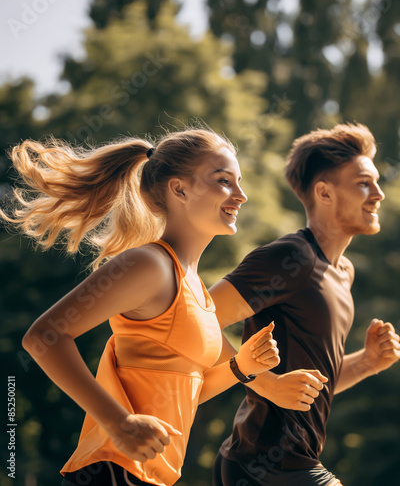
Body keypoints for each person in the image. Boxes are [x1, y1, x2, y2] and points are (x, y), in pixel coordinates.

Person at [1, 129, 281, 486]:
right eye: (223, 181)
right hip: (112, 471)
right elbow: (43, 337)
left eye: (238, 182)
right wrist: (119, 424)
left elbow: (186, 389)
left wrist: (242, 367)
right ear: (179, 189)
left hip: (151, 477)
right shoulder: (150, 265)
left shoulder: (195, 287)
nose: (240, 195)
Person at [210, 123, 400, 486]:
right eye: (363, 183)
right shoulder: (292, 257)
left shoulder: (343, 273)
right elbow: (195, 319)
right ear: (324, 193)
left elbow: (311, 387)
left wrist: (368, 362)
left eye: (376, 182)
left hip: (279, 465)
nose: (378, 194)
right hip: (262, 465)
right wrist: (265, 384)